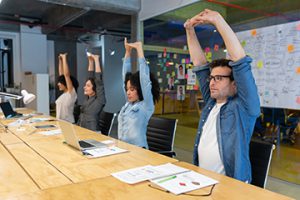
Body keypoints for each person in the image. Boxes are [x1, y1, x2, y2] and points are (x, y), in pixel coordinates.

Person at [184, 9, 260, 182]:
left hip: (230, 185)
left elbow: (241, 62)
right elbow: (200, 65)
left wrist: (218, 20)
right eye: (212, 78)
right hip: (201, 179)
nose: (211, 83)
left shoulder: (244, 108)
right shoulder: (211, 102)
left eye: (219, 78)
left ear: (235, 84)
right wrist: (189, 30)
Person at [118, 38, 160, 148]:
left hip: (139, 151)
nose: (128, 92)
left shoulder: (145, 106)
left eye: (132, 89)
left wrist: (139, 50)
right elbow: (124, 77)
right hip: (123, 148)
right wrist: (127, 52)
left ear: (140, 90)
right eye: (127, 89)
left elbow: (145, 81)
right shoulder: (128, 104)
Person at [78, 53, 106, 131]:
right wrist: (90, 61)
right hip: (82, 130)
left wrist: (96, 60)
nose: (84, 87)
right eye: (85, 85)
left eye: (88, 86)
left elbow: (99, 82)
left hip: (93, 134)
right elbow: (89, 77)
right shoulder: (88, 98)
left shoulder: (100, 100)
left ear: (94, 89)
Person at [56, 53, 79, 123]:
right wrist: (60, 60)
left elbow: (66, 75)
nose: (58, 84)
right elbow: (62, 75)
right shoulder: (64, 94)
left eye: (60, 82)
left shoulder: (71, 93)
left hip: (69, 124)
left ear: (66, 83)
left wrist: (64, 58)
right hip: (60, 123)